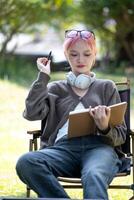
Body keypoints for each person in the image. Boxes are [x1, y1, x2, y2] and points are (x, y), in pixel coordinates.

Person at [16, 29, 127, 199]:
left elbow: (121, 135)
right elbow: (31, 113)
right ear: (67, 56)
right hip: (62, 150)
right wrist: (43, 77)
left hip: (99, 149)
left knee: (94, 174)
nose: (80, 59)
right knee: (26, 162)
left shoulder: (107, 87)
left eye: (86, 54)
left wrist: (104, 127)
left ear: (94, 55)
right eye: (74, 54)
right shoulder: (55, 88)